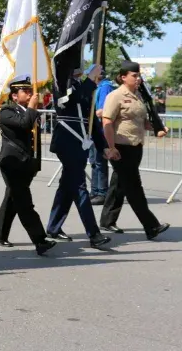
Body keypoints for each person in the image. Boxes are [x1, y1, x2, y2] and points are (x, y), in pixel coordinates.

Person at [99, 61, 170, 239]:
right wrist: (111, 147)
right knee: (134, 188)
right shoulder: (115, 96)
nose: (138, 79)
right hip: (120, 148)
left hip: (136, 147)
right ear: (123, 77)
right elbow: (107, 122)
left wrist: (157, 127)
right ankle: (151, 226)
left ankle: (107, 220)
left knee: (120, 184)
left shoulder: (138, 96)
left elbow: (141, 122)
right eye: (134, 75)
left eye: (139, 76)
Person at [0, 76, 57, 255]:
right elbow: (24, 125)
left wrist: (36, 163)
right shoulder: (6, 112)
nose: (29, 93)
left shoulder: (28, 110)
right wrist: (33, 106)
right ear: (14, 96)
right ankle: (40, 240)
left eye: (30, 90)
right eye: (25, 91)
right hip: (12, 164)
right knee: (25, 203)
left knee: (13, 199)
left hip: (27, 163)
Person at [46, 65, 111, 248]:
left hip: (81, 143)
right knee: (79, 186)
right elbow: (71, 100)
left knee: (67, 186)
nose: (79, 67)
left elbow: (91, 120)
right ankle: (94, 234)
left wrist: (103, 146)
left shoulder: (83, 85)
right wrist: (90, 80)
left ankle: (53, 227)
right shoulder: (61, 85)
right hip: (67, 142)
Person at [90, 70, 114, 204]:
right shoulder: (98, 87)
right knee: (94, 161)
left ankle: (102, 192)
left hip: (101, 129)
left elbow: (101, 111)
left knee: (99, 162)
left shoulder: (105, 86)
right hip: (94, 129)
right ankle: (94, 191)